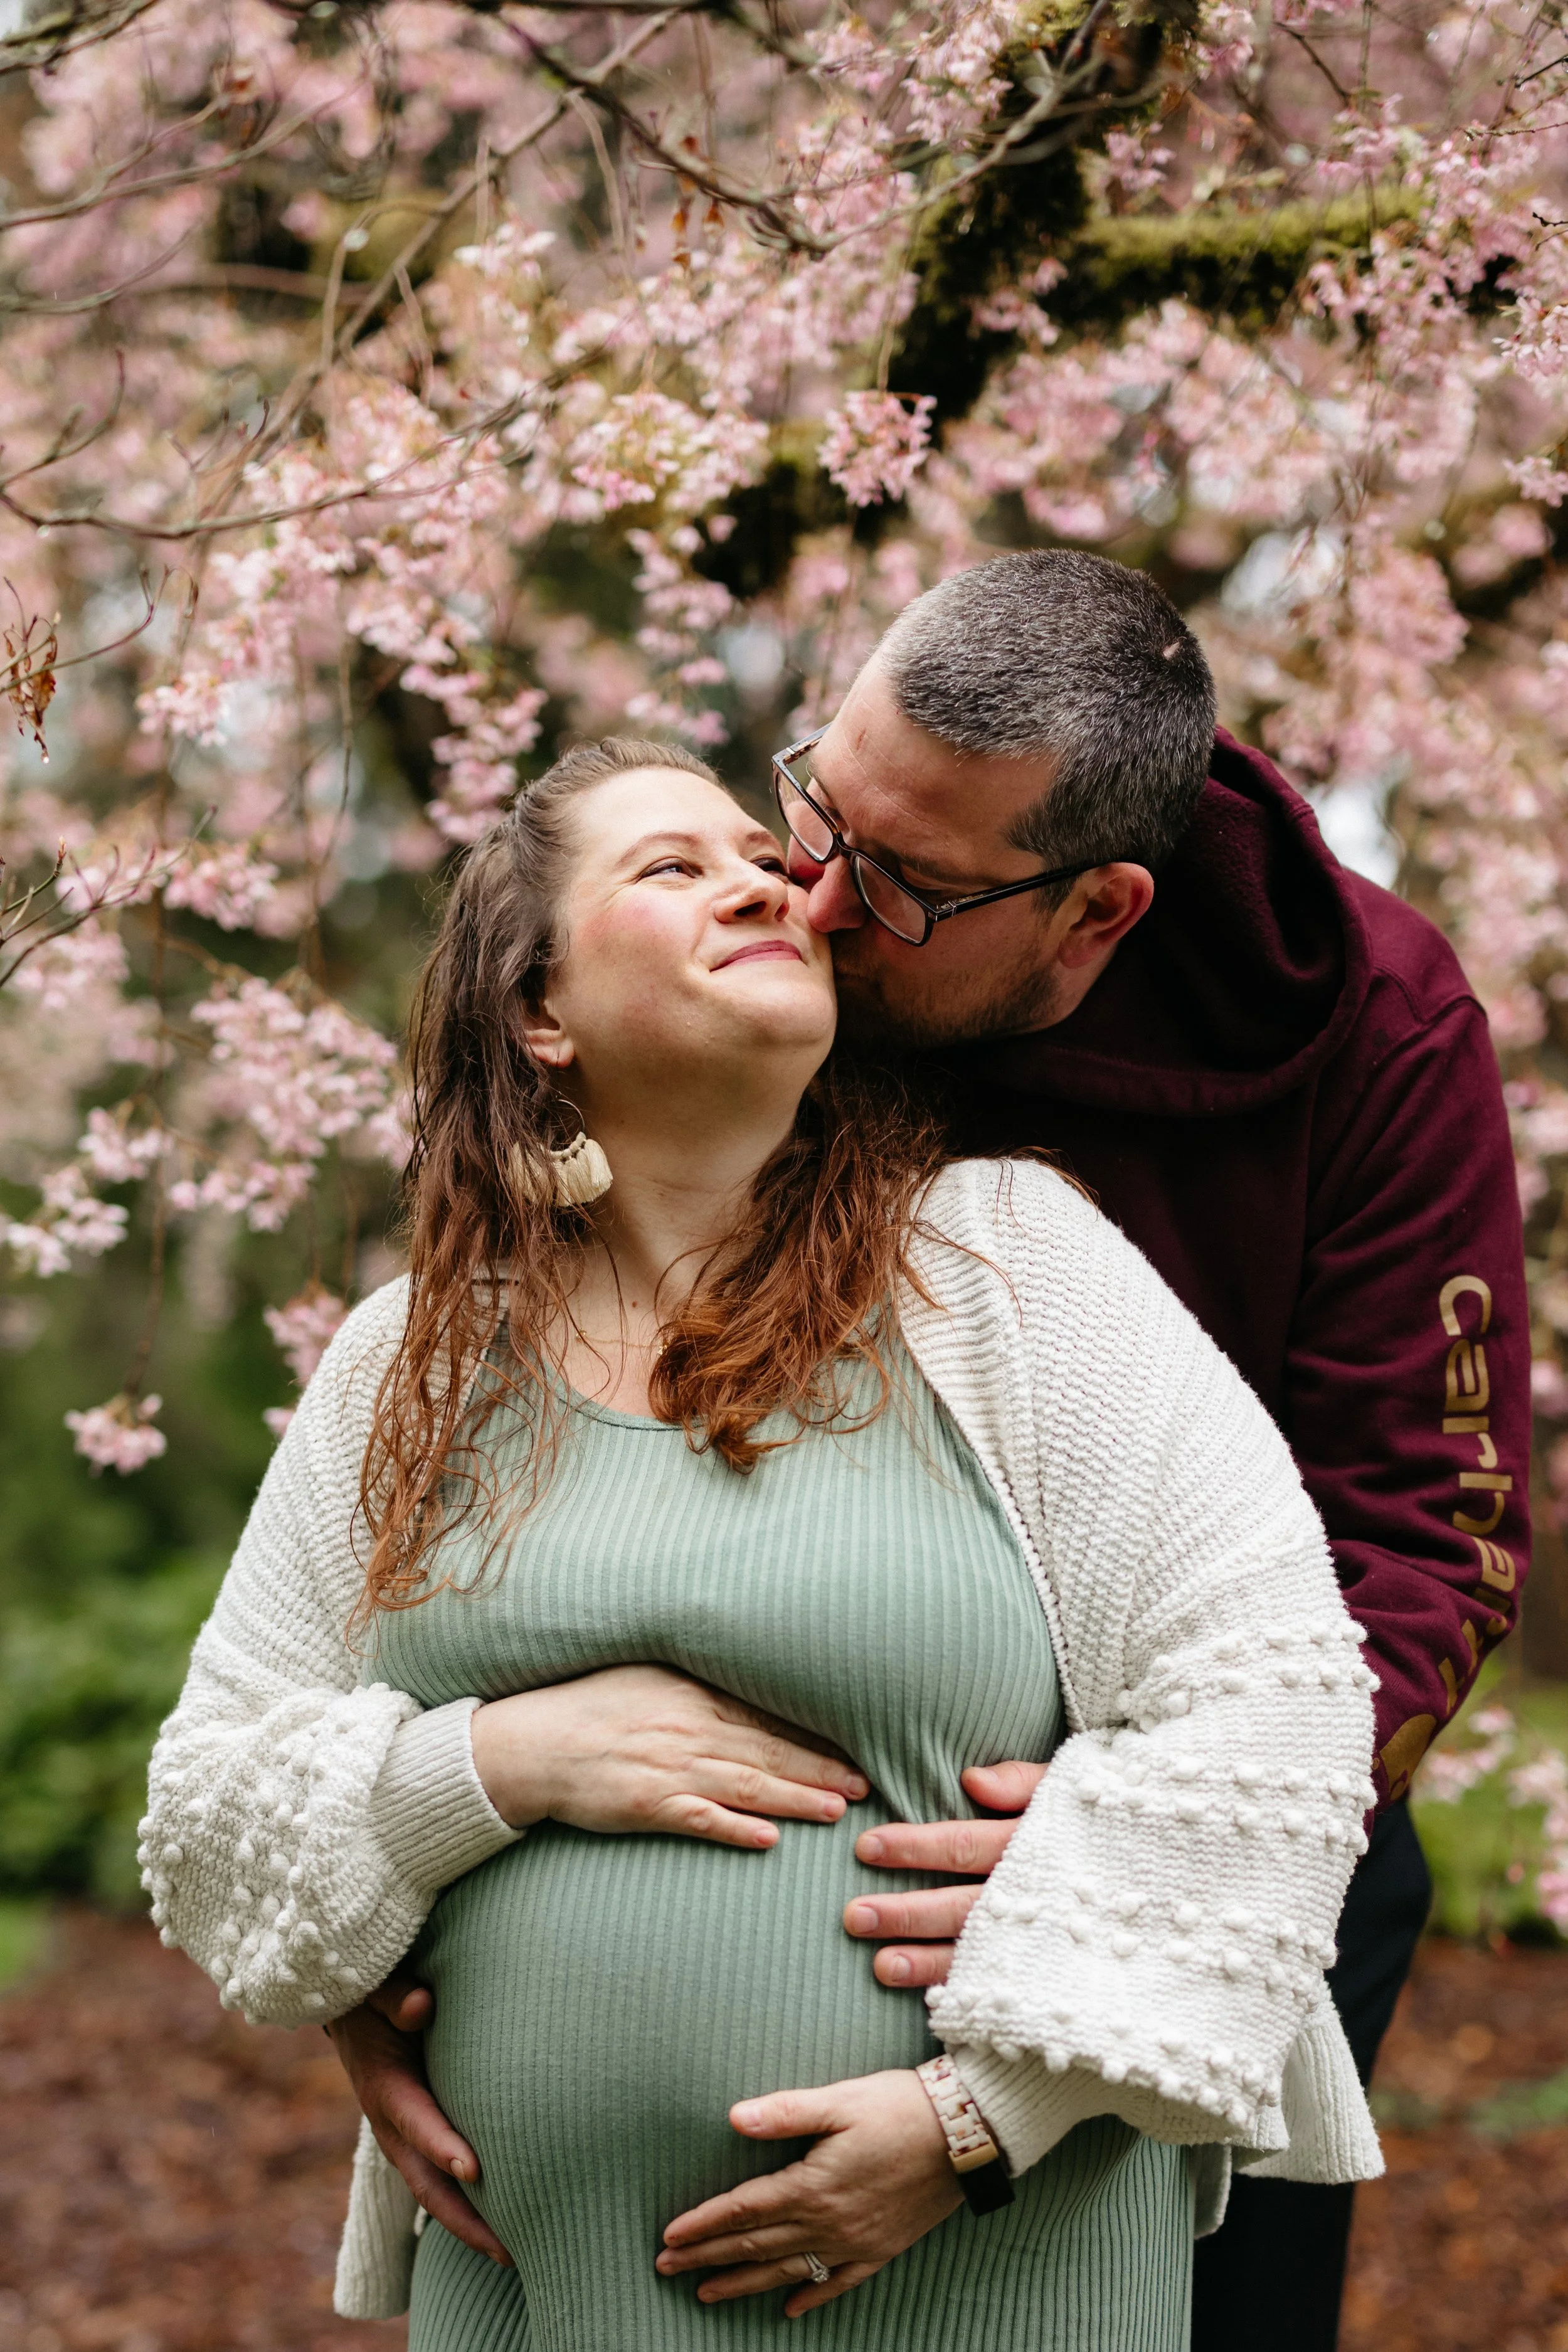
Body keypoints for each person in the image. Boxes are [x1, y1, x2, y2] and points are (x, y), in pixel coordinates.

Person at [329, 552, 1529, 2351]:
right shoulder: (790, 951)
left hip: (1217, 1842)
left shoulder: (1378, 1027)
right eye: (814, 794)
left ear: (1093, 912)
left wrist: (1142, 1851)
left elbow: (1429, 1535)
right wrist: (371, 1901)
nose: (809, 885)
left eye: (895, 882)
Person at [146, 734, 1381, 2351]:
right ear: (538, 1009)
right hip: (535, 2295)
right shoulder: (415, 1360)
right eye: (672, 866)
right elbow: (211, 1804)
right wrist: (492, 1767)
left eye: (758, 849)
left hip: (982, 2274)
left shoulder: (1007, 1270)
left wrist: (978, 2119)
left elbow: (1280, 1713)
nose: (760, 879)